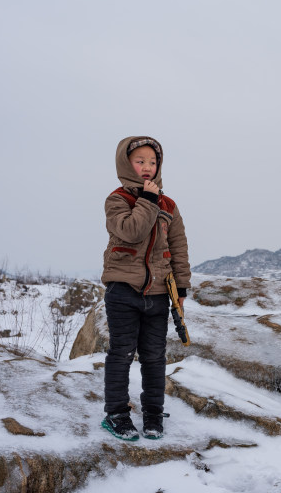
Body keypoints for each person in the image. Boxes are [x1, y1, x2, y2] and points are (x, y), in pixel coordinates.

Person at [100, 136, 191, 441]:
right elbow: (132, 230)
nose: (147, 167)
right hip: (122, 291)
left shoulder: (170, 205)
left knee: (154, 356)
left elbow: (178, 248)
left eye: (153, 162)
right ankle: (116, 414)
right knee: (122, 353)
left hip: (157, 294)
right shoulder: (117, 200)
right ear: (126, 164)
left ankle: (153, 413)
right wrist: (147, 201)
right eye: (140, 161)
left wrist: (181, 288)